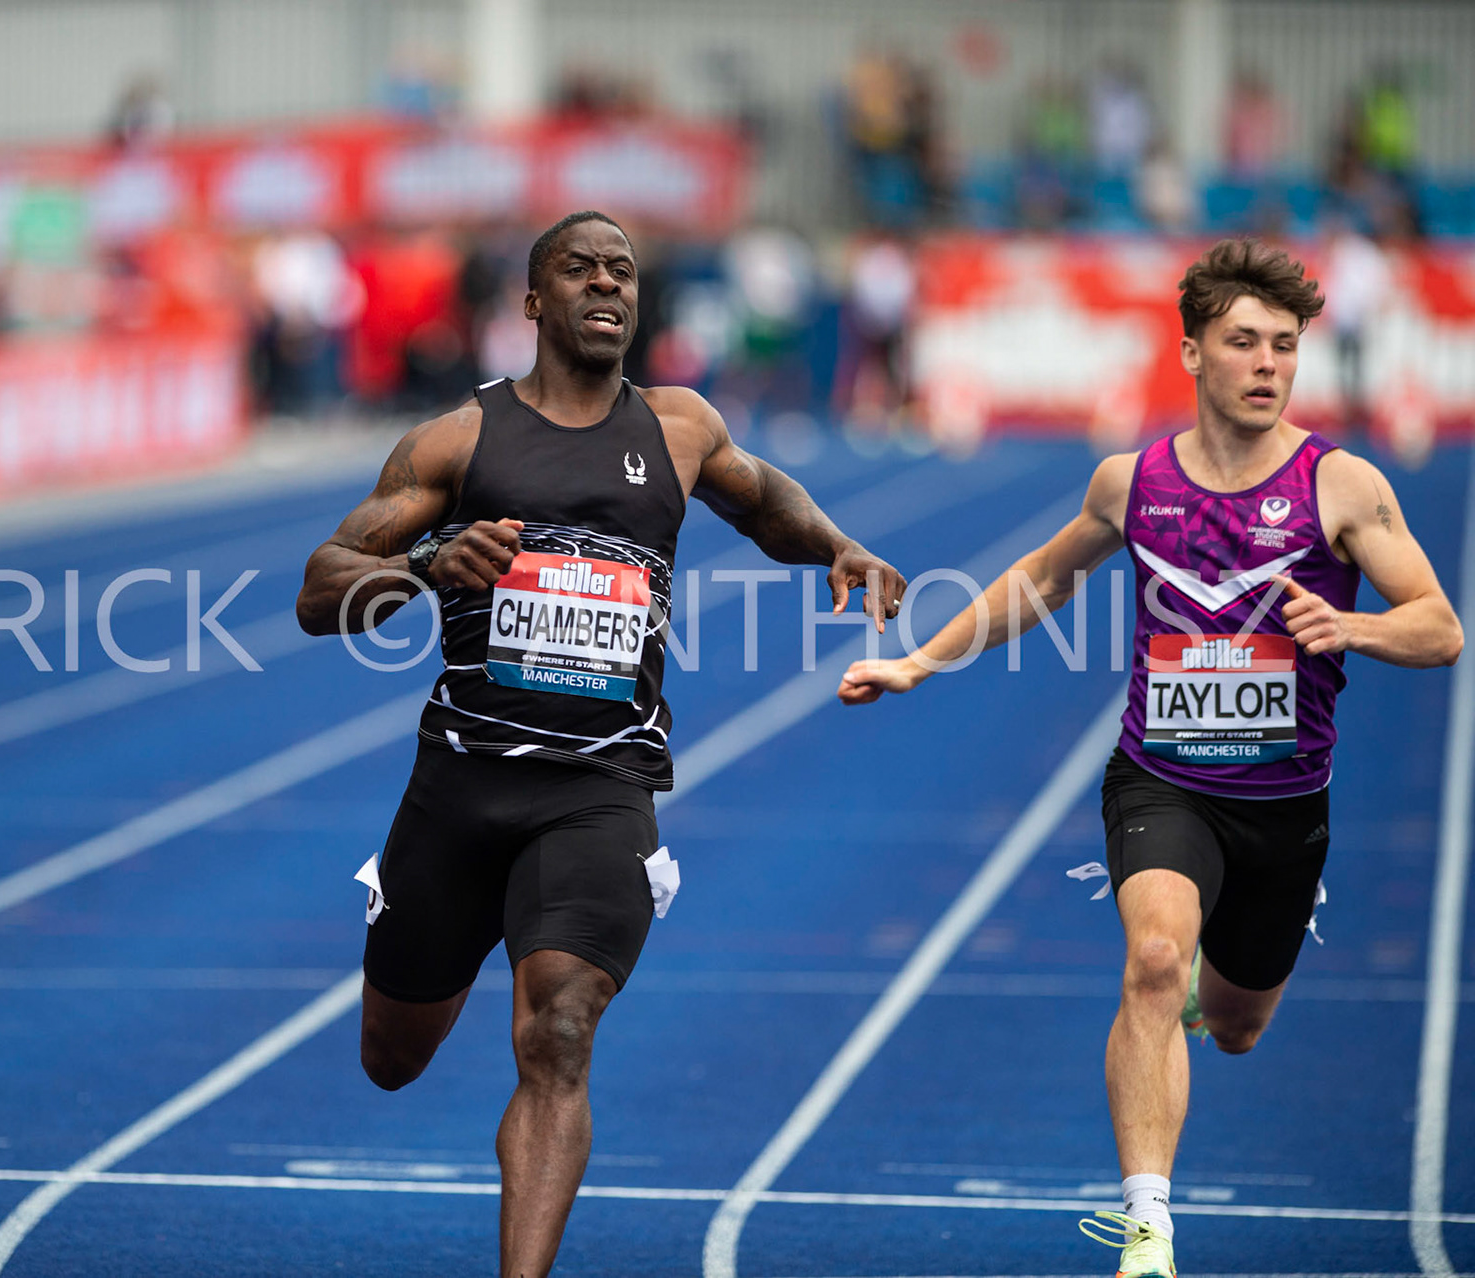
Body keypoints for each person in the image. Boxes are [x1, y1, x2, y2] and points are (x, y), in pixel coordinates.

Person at [296, 210, 906, 1277]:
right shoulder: (459, 440)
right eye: (578, 270)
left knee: (560, 1029)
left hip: (601, 789)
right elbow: (320, 589)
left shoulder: (679, 429)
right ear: (532, 302)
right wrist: (431, 562)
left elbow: (767, 504)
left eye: (621, 271)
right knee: (392, 1058)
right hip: (459, 788)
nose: (606, 286)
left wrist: (839, 547)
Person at [838, 238, 1462, 1278]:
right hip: (1160, 778)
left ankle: (1224, 979)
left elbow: (1440, 627)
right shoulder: (1134, 483)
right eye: (1245, 344)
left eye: (1286, 347)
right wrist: (918, 663)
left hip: (1284, 800)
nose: (1269, 365)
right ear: (1192, 354)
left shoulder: (1342, 486)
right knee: (1155, 960)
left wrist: (1350, 631)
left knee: (1238, 1021)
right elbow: (1035, 583)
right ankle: (1147, 1229)